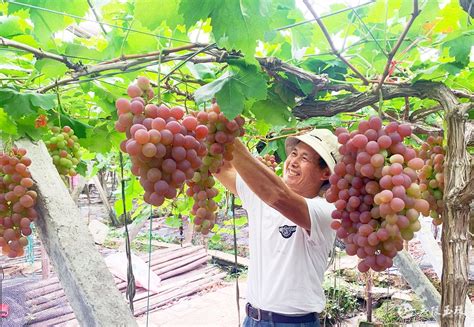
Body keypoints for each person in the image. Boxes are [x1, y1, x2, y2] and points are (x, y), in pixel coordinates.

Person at [215, 128, 341, 327]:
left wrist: (229, 136)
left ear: (325, 173)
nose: (293, 161)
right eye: (293, 153)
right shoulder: (260, 195)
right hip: (252, 319)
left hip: (293, 324)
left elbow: (277, 195)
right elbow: (221, 168)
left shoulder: (325, 212)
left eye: (305, 158)